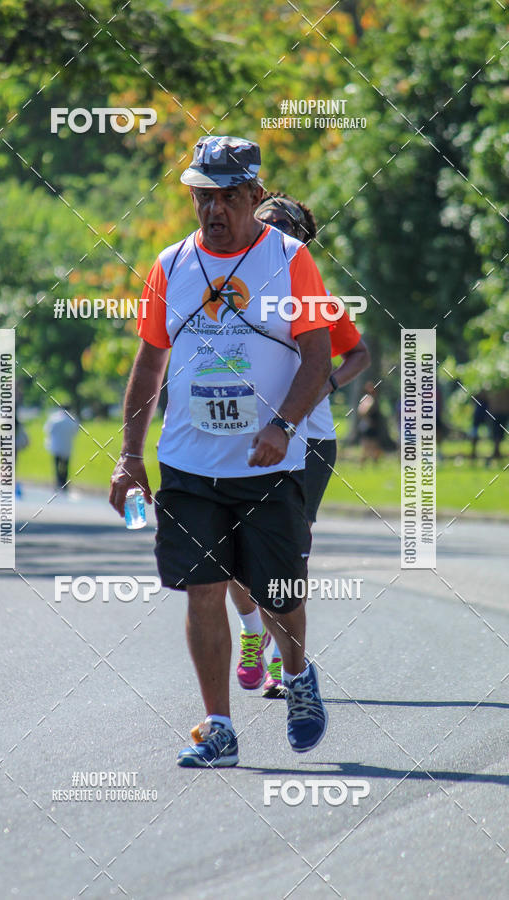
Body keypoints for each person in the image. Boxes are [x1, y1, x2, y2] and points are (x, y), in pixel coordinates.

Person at [110, 135, 332, 767]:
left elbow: (318, 354)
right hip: (188, 463)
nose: (214, 209)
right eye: (203, 196)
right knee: (203, 589)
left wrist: (284, 425)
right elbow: (149, 363)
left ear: (255, 196)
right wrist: (130, 454)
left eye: (228, 196)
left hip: (269, 463)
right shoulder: (171, 265)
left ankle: (297, 678)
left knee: (281, 587)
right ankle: (219, 727)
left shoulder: (290, 260)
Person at [228, 193, 370, 698]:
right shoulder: (225, 282)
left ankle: (281, 663)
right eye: (266, 222)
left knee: (285, 556)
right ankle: (252, 634)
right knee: (233, 551)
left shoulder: (314, 293)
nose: (273, 232)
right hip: (242, 432)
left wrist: (326, 386)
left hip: (309, 440)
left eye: (284, 227)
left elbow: (358, 354)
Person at [44, 407, 79, 492]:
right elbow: (76, 431)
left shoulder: (54, 418)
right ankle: (64, 484)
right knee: (65, 466)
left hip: (56, 445)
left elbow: (47, 430)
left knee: (56, 466)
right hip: (67, 445)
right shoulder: (72, 419)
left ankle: (57, 483)